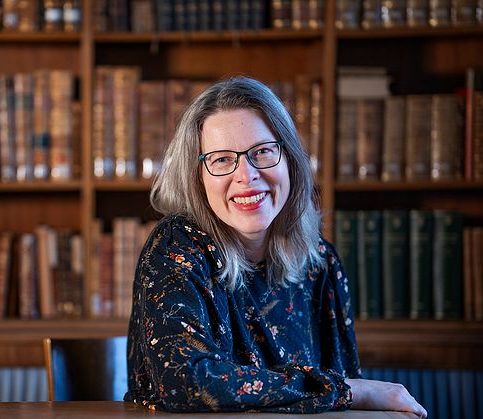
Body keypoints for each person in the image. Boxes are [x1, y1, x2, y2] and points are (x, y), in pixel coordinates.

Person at [124, 76, 427, 417]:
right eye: (222, 160)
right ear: (198, 178)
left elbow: (338, 401)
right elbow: (185, 382)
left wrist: (342, 390)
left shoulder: (320, 262)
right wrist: (349, 389)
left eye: (263, 152)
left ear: (290, 160)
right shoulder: (176, 247)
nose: (246, 175)